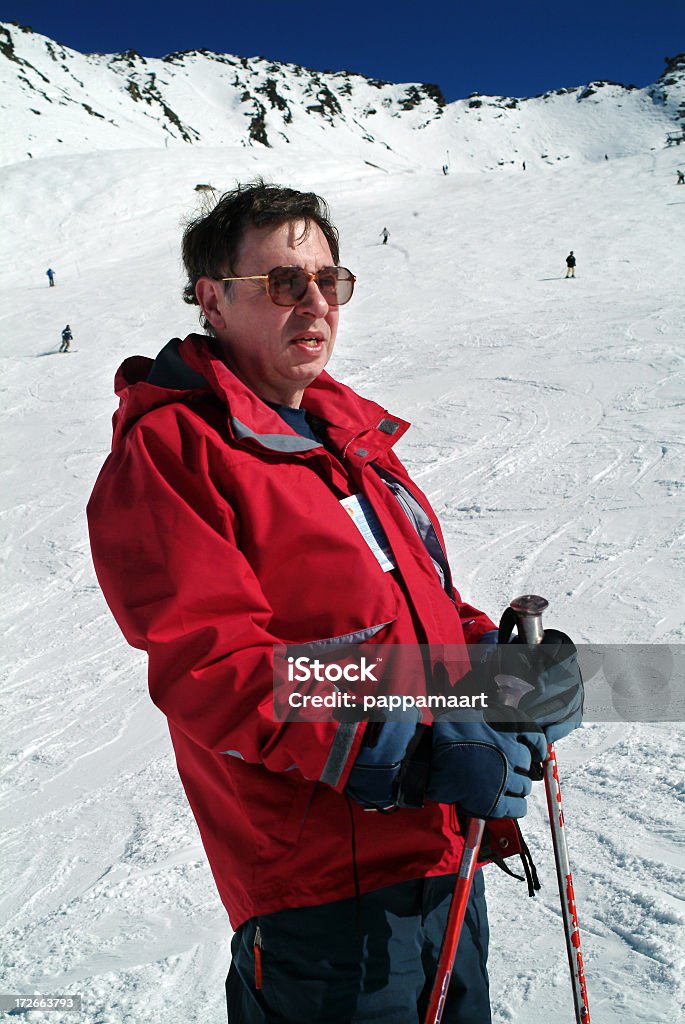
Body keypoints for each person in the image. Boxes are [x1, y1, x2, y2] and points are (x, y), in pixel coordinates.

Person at [87, 181, 582, 1023]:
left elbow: (418, 610)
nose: (315, 303)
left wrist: (506, 669)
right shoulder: (175, 450)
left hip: (440, 854)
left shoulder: (346, 440)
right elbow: (220, 669)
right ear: (213, 298)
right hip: (323, 889)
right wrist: (408, 749)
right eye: (284, 283)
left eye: (329, 280)